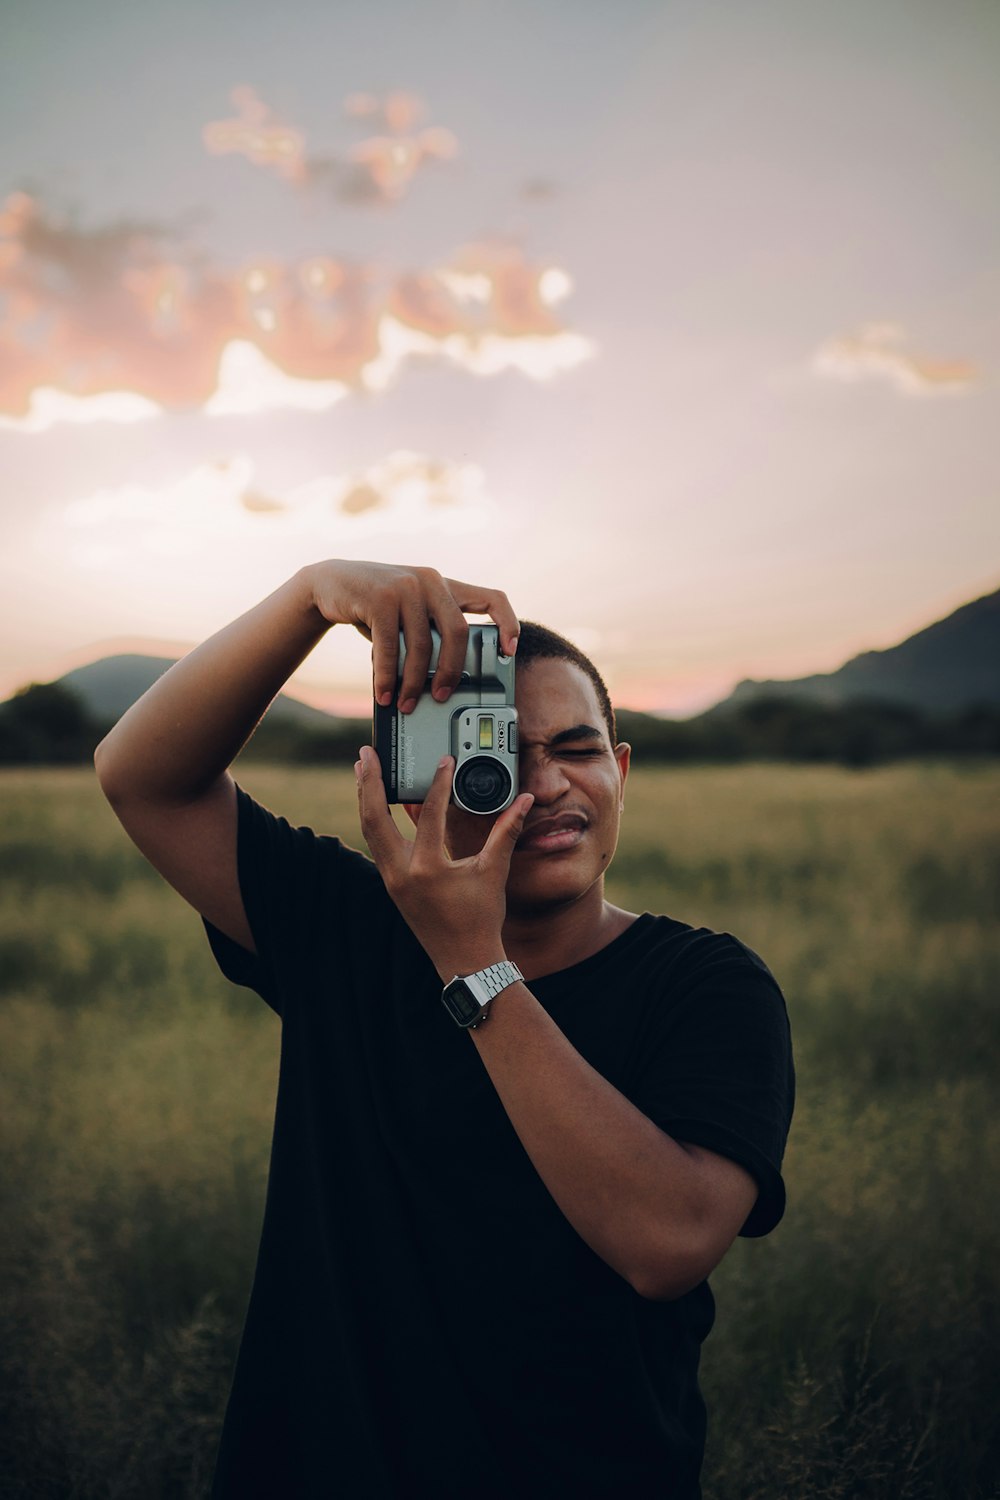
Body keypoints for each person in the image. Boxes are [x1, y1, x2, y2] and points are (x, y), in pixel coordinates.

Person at [95, 559, 794, 1500]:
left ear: (620, 773)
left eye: (578, 749)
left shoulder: (706, 985)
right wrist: (311, 595)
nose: (543, 785)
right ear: (420, 775)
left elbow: (666, 1243)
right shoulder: (351, 929)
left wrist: (473, 962)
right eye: (496, 751)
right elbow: (143, 778)